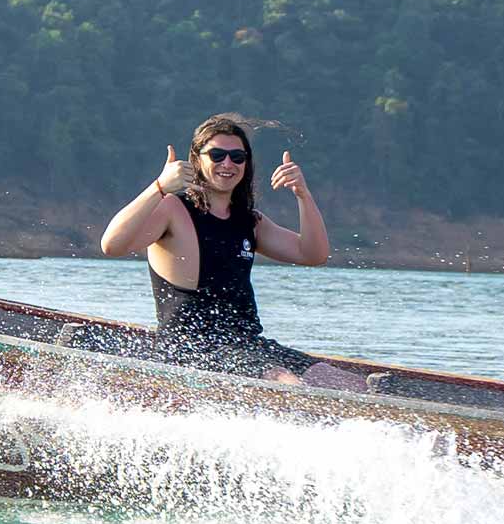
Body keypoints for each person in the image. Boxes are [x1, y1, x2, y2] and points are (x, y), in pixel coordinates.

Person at [98, 113, 331, 382]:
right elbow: (111, 246)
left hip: (249, 345)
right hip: (189, 349)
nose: (227, 164)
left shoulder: (250, 221)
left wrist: (303, 194)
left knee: (341, 380)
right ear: (197, 159)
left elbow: (313, 254)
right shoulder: (172, 208)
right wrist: (159, 187)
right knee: (285, 380)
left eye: (237, 157)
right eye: (217, 155)